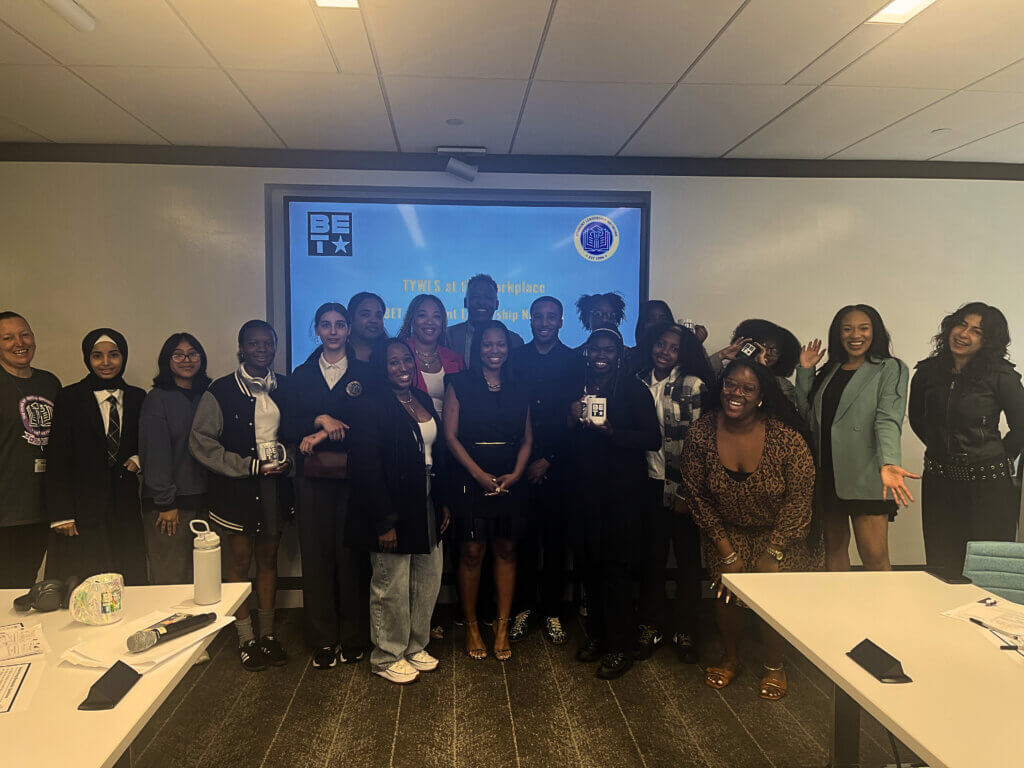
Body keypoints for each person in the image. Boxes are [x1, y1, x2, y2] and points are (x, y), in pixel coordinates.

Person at [679, 358, 820, 701]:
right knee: (727, 591)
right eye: (730, 384)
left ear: (761, 396)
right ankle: (731, 658)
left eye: (747, 388)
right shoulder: (701, 432)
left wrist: (773, 552)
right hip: (725, 531)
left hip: (781, 533)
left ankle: (775, 666)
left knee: (773, 595)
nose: (735, 393)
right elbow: (696, 495)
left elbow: (800, 500)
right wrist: (726, 551)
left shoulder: (786, 438)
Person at [189, 320, 293, 671]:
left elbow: (294, 435)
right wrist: (248, 466)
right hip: (236, 489)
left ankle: (268, 636)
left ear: (275, 348)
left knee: (268, 560)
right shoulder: (219, 391)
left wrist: (287, 461)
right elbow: (201, 442)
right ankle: (246, 639)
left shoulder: (286, 388)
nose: (261, 349)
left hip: (274, 486)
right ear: (241, 348)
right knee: (238, 562)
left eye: (268, 343)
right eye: (253, 344)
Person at [348, 339, 451, 684]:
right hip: (391, 503)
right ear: (382, 367)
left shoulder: (419, 399)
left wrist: (443, 502)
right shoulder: (370, 405)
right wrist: (384, 521)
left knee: (427, 577)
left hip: (426, 499)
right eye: (393, 362)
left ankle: (414, 645)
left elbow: (437, 454)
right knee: (391, 581)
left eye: (406, 360)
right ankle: (387, 654)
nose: (403, 367)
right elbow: (365, 468)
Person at [279, 302, 371, 669]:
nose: (333, 331)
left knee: (351, 557)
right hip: (312, 479)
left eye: (339, 325)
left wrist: (328, 429)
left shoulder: (365, 374)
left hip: (355, 477)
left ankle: (353, 637)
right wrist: (319, 418)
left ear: (349, 329)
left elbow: (370, 424)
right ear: (316, 329)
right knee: (316, 558)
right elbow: (287, 427)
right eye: (325, 325)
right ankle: (322, 638)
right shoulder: (300, 376)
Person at [795, 305, 917, 572]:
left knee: (874, 557)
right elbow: (807, 418)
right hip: (828, 473)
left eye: (863, 327)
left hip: (868, 473)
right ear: (838, 334)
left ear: (875, 332)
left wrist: (889, 462)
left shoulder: (890, 368)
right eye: (847, 328)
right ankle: (842, 612)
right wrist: (805, 371)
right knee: (834, 556)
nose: (855, 335)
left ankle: (885, 614)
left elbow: (888, 418)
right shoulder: (830, 370)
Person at [570, 328, 661, 680]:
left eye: (609, 350)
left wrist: (612, 433)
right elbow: (568, 436)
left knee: (616, 572)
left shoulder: (632, 389)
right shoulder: (580, 387)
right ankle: (597, 636)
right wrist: (571, 414)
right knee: (589, 569)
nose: (601, 355)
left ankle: (619, 647)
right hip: (585, 495)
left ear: (619, 354)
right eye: (596, 349)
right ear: (587, 352)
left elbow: (652, 438)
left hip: (621, 497)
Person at [909, 302, 1024, 575]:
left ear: (989, 341)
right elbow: (917, 419)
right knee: (942, 566)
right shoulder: (928, 373)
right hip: (939, 481)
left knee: (988, 570)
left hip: (989, 486)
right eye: (962, 324)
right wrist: (941, 447)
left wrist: (999, 454)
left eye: (977, 331)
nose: (964, 334)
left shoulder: (1001, 376)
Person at [444, 320, 532, 661]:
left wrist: (517, 474)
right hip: (471, 477)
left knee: (507, 551)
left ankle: (501, 626)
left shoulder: (519, 384)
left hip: (510, 478)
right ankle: (470, 625)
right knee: (471, 552)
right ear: (476, 348)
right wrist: (479, 474)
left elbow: (528, 439)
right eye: (487, 345)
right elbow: (450, 437)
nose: (494, 350)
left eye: (500, 345)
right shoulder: (459, 383)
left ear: (508, 349)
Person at [508, 297, 585, 645]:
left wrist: (548, 458)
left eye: (551, 317)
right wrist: (525, 462)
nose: (543, 322)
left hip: (560, 466)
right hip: (520, 466)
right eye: (538, 316)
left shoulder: (574, 361)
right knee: (522, 541)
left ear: (561, 321)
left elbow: (574, 420)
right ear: (530, 320)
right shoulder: (516, 358)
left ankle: (552, 610)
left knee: (555, 543)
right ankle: (523, 608)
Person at [634, 322, 712, 663]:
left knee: (688, 563)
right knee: (650, 560)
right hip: (647, 485)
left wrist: (686, 492)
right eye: (661, 344)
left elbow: (698, 444)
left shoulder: (692, 385)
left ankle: (685, 630)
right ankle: (650, 626)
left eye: (674, 347)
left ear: (685, 353)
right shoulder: (638, 381)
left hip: (682, 488)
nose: (664, 351)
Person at [46, 328, 147, 584]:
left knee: (130, 577)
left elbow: (147, 440)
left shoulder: (138, 397)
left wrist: (139, 457)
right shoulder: (70, 397)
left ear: (123, 357)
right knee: (90, 581)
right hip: (84, 509)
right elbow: (57, 457)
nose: (106, 363)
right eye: (97, 356)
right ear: (87, 359)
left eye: (113, 355)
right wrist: (61, 513)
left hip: (125, 505)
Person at [139, 333, 211, 584]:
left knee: (204, 579)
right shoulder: (157, 399)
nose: (187, 360)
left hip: (206, 502)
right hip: (170, 507)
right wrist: (165, 502)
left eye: (193, 353)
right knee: (171, 578)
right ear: (166, 360)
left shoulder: (209, 395)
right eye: (178, 354)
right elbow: (155, 453)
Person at [0, 312, 61, 588]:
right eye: (7, 337)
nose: (19, 343)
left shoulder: (50, 382)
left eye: (25, 334)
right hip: (6, 509)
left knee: (27, 583)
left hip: (43, 506)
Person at [397, 294, 465, 417]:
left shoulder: (456, 359)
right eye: (422, 315)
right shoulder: (397, 354)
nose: (430, 322)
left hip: (449, 433)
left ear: (442, 322)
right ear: (412, 319)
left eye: (436, 316)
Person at [711, 319, 801, 404]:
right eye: (763, 347)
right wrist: (721, 355)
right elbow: (701, 378)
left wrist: (764, 373)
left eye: (774, 351)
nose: (767, 353)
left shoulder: (784, 386)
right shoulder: (728, 371)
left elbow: (784, 411)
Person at [445, 274, 524, 362]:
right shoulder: (448, 336)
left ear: (497, 304)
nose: (481, 302)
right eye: (475, 297)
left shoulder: (514, 341)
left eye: (487, 297)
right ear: (465, 302)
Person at [347, 291, 388, 363]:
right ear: (351, 318)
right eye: (365, 315)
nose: (374, 320)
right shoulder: (334, 353)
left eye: (378, 316)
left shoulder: (390, 353)